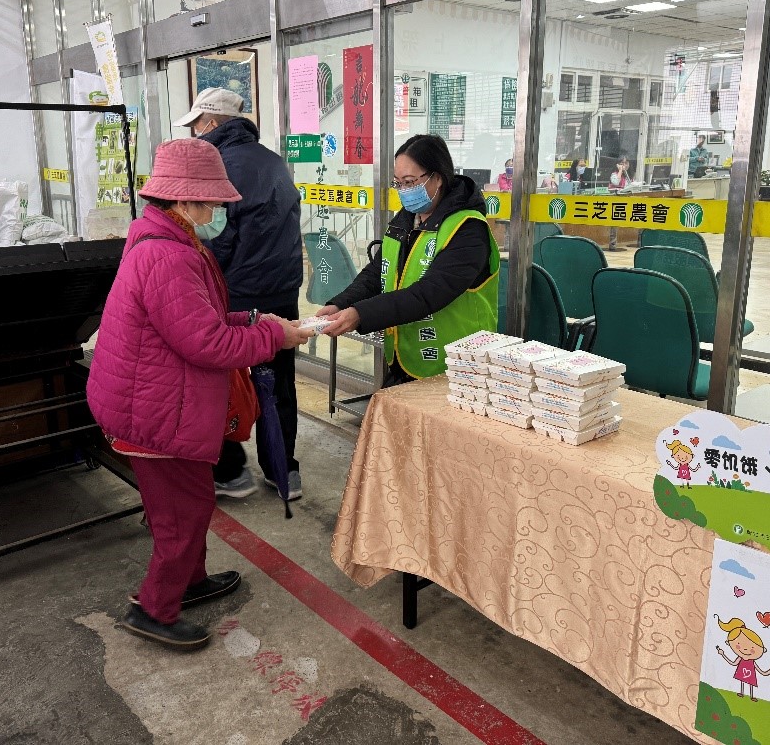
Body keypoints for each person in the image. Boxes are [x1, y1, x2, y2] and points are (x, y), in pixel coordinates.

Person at [87, 138, 313, 648]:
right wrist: (273, 336)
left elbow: (198, 318)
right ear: (184, 200)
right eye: (210, 203)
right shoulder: (168, 255)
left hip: (155, 401)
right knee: (182, 515)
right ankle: (153, 608)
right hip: (153, 413)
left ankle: (189, 583)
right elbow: (207, 343)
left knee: (188, 505)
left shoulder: (168, 240)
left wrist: (254, 319)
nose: (216, 213)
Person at [174, 89, 306, 502]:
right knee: (278, 382)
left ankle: (231, 471)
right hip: (282, 289)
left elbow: (220, 237)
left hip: (235, 292)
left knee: (222, 380)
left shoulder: (219, 165)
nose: (195, 133)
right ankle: (283, 470)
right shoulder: (273, 161)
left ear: (212, 123)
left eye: (196, 125)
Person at [317, 134, 499, 387]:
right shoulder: (405, 220)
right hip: (407, 360)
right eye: (398, 183)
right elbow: (377, 272)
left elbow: (428, 294)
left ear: (437, 178)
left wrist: (360, 314)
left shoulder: (467, 229)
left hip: (457, 369)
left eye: (410, 182)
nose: (404, 190)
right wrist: (341, 303)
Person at [714, 615, 770, 701]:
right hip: (743, 673)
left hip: (750, 675)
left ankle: (751, 696)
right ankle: (742, 692)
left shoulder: (752, 662)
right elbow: (733, 663)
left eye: (752, 649)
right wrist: (722, 654)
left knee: (750, 683)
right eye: (738, 645)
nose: (745, 649)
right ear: (729, 643)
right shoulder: (740, 658)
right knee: (742, 682)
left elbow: (762, 672)